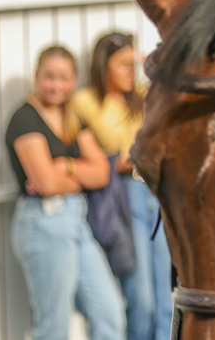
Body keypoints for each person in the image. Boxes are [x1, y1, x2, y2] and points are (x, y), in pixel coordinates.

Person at [6, 45, 125, 340]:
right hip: (43, 224)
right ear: (36, 77)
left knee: (109, 313)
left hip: (76, 221)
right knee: (53, 327)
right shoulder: (25, 119)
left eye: (63, 78)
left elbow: (102, 173)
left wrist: (66, 167)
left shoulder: (73, 116)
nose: (56, 85)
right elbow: (45, 184)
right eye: (49, 77)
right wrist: (74, 174)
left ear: (73, 80)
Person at [73, 32, 173, 340]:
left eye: (134, 63)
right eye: (123, 64)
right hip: (123, 196)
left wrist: (150, 67)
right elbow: (108, 148)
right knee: (140, 296)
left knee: (166, 297)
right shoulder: (87, 100)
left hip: (154, 192)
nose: (131, 71)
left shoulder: (143, 94)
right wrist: (129, 153)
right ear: (104, 67)